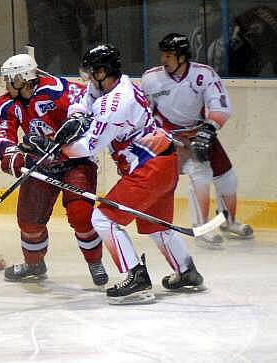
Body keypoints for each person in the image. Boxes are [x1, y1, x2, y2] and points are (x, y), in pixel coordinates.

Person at [23, 44, 205, 304]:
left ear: (101, 71)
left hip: (148, 168)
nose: (87, 79)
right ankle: (186, 271)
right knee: (157, 226)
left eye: (90, 73)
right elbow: (82, 102)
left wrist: (52, 148)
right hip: (163, 165)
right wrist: (75, 118)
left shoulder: (116, 104)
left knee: (103, 219)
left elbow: (88, 148)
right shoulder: (112, 85)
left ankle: (136, 276)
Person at [0, 53, 107, 286]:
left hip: (75, 161)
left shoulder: (57, 89)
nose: (6, 84)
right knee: (29, 220)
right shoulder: (6, 103)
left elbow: (92, 104)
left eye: (9, 79)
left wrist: (82, 125)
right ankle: (34, 264)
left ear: (23, 78)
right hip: (40, 163)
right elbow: (3, 133)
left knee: (81, 215)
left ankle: (95, 263)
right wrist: (11, 155)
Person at [141, 33, 253, 247]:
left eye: (168, 55)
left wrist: (208, 130)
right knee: (200, 177)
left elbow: (220, 105)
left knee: (228, 179)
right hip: (170, 137)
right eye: (163, 55)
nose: (163, 60)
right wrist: (158, 136)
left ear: (182, 57)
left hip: (200, 131)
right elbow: (143, 113)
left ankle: (228, 222)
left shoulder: (204, 74)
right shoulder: (151, 79)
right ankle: (201, 229)